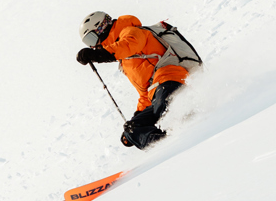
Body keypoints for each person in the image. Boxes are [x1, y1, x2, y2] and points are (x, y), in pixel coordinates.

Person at [76, 12, 193, 148]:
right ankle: (165, 146)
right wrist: (137, 117)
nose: (92, 46)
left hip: (173, 78)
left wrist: (98, 55)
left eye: (91, 39)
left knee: (164, 104)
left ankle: (190, 125)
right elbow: (145, 91)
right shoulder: (125, 61)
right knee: (132, 129)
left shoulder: (131, 31)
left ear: (100, 28)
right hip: (158, 93)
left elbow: (129, 45)